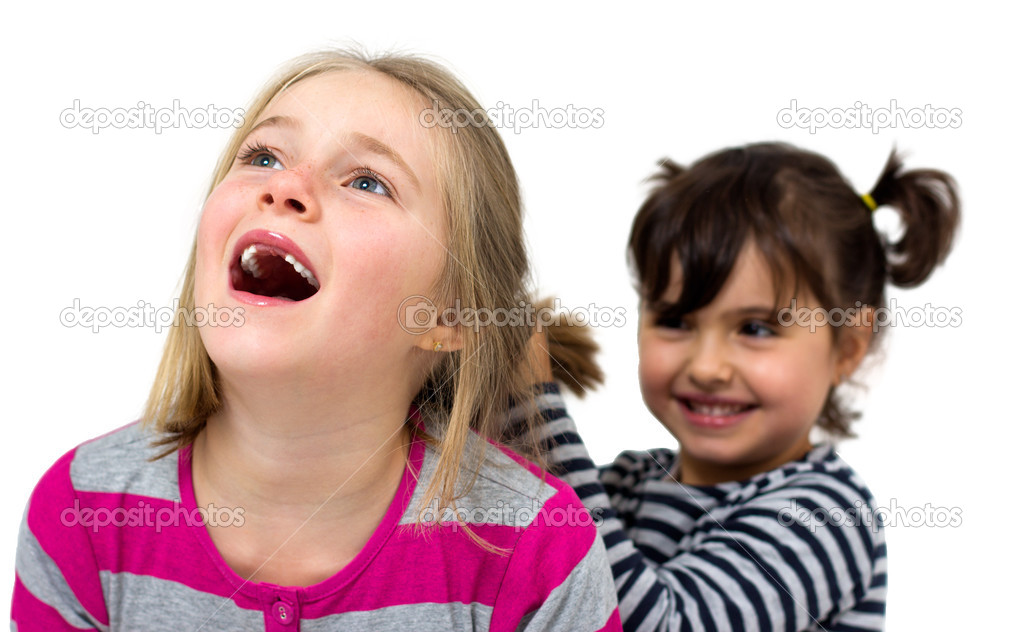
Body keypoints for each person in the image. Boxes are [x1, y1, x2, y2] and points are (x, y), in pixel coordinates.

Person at [12, 49, 621, 631]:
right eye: (264, 156)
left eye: (366, 182)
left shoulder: (539, 553)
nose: (284, 188)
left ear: (451, 316)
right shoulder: (82, 511)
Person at [514, 142, 959, 631]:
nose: (708, 367)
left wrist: (534, 414)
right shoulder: (625, 486)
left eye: (757, 329)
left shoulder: (823, 516)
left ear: (849, 346)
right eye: (676, 321)